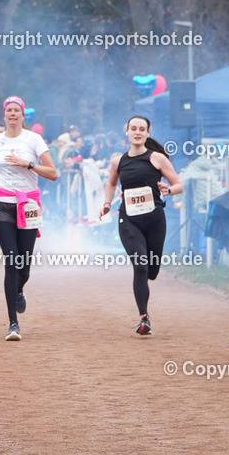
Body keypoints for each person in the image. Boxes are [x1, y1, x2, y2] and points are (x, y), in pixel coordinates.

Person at [0, 96, 58, 341]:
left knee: (24, 267)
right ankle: (13, 323)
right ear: (4, 114)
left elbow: (53, 173)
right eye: (9, 110)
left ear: (23, 115)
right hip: (3, 204)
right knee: (11, 261)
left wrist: (29, 164)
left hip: (29, 205)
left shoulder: (33, 139)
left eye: (17, 110)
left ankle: (19, 289)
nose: (12, 114)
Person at [100, 115, 183, 335]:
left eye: (142, 129)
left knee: (152, 271)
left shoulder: (157, 158)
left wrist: (169, 190)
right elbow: (111, 183)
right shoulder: (118, 161)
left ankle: (145, 283)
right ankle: (144, 318)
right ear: (127, 132)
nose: (137, 132)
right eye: (133, 128)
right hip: (128, 219)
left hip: (155, 219)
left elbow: (178, 184)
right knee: (141, 265)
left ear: (147, 133)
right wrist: (107, 203)